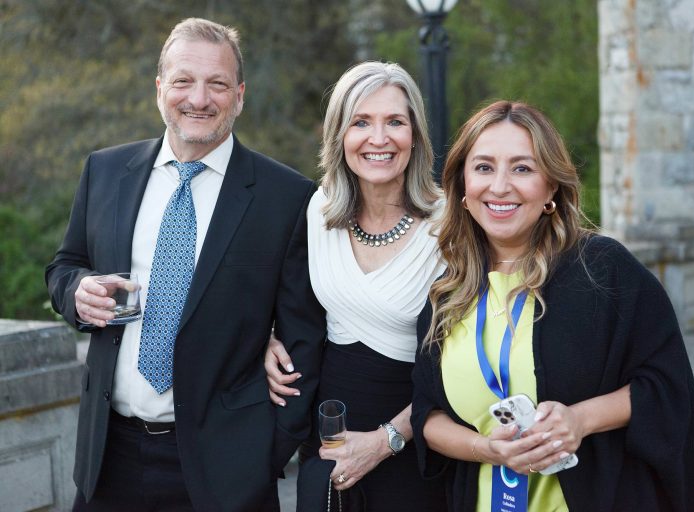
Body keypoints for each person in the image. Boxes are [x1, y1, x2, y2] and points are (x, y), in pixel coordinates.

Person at [45, 18, 325, 512]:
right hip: (107, 460)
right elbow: (65, 265)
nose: (199, 98)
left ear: (239, 95)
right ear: (159, 89)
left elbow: (304, 336)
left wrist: (265, 456)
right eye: (183, 81)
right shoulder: (104, 171)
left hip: (227, 472)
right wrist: (77, 292)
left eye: (217, 83)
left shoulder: (287, 197)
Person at [410, 100, 694, 511]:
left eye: (522, 168)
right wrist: (489, 450)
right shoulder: (448, 294)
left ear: (550, 187)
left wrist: (580, 420)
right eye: (483, 167)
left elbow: (668, 388)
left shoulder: (603, 271)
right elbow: (427, 415)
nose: (500, 186)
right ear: (463, 186)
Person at [264, 61, 447, 511]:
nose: (378, 138)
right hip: (327, 440)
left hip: (416, 444)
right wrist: (264, 339)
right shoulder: (319, 210)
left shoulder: (451, 225)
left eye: (395, 122)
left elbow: (467, 363)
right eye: (361, 122)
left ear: (415, 135)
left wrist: (386, 441)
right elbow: (279, 297)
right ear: (339, 135)